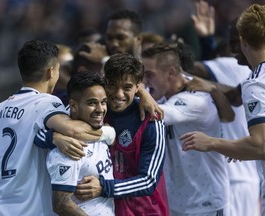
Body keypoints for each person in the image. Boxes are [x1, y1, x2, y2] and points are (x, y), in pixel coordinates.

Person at [0, 40, 106, 216]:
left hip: (0, 211)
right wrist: (109, 133)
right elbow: (76, 131)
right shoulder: (46, 103)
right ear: (50, 71)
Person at [180, 4, 265, 215]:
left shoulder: (256, 84)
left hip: (239, 183)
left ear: (244, 41)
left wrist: (211, 143)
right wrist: (237, 146)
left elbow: (260, 146)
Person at [142, 41, 233, 216]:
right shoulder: (161, 93)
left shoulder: (196, 99)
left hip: (206, 203)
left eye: (149, 75)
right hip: (178, 200)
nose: (145, 82)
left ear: (170, 73)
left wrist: (137, 90)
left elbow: (159, 114)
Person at [72, 53, 169, 216]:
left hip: (145, 211)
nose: (118, 94)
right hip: (105, 208)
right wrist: (56, 137)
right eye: (112, 85)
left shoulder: (151, 122)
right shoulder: (96, 110)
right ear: (104, 81)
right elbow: (60, 116)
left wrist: (104, 187)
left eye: (127, 87)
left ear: (138, 86)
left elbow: (149, 181)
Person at [44, 71, 116, 215]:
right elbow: (61, 204)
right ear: (73, 106)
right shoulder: (69, 149)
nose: (100, 109)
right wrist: (54, 137)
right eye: (92, 103)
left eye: (103, 102)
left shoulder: (98, 129)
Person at [78, 9, 143, 64]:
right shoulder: (95, 59)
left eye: (121, 38)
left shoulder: (150, 59)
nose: (114, 44)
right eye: (109, 38)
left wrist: (104, 59)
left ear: (138, 39)